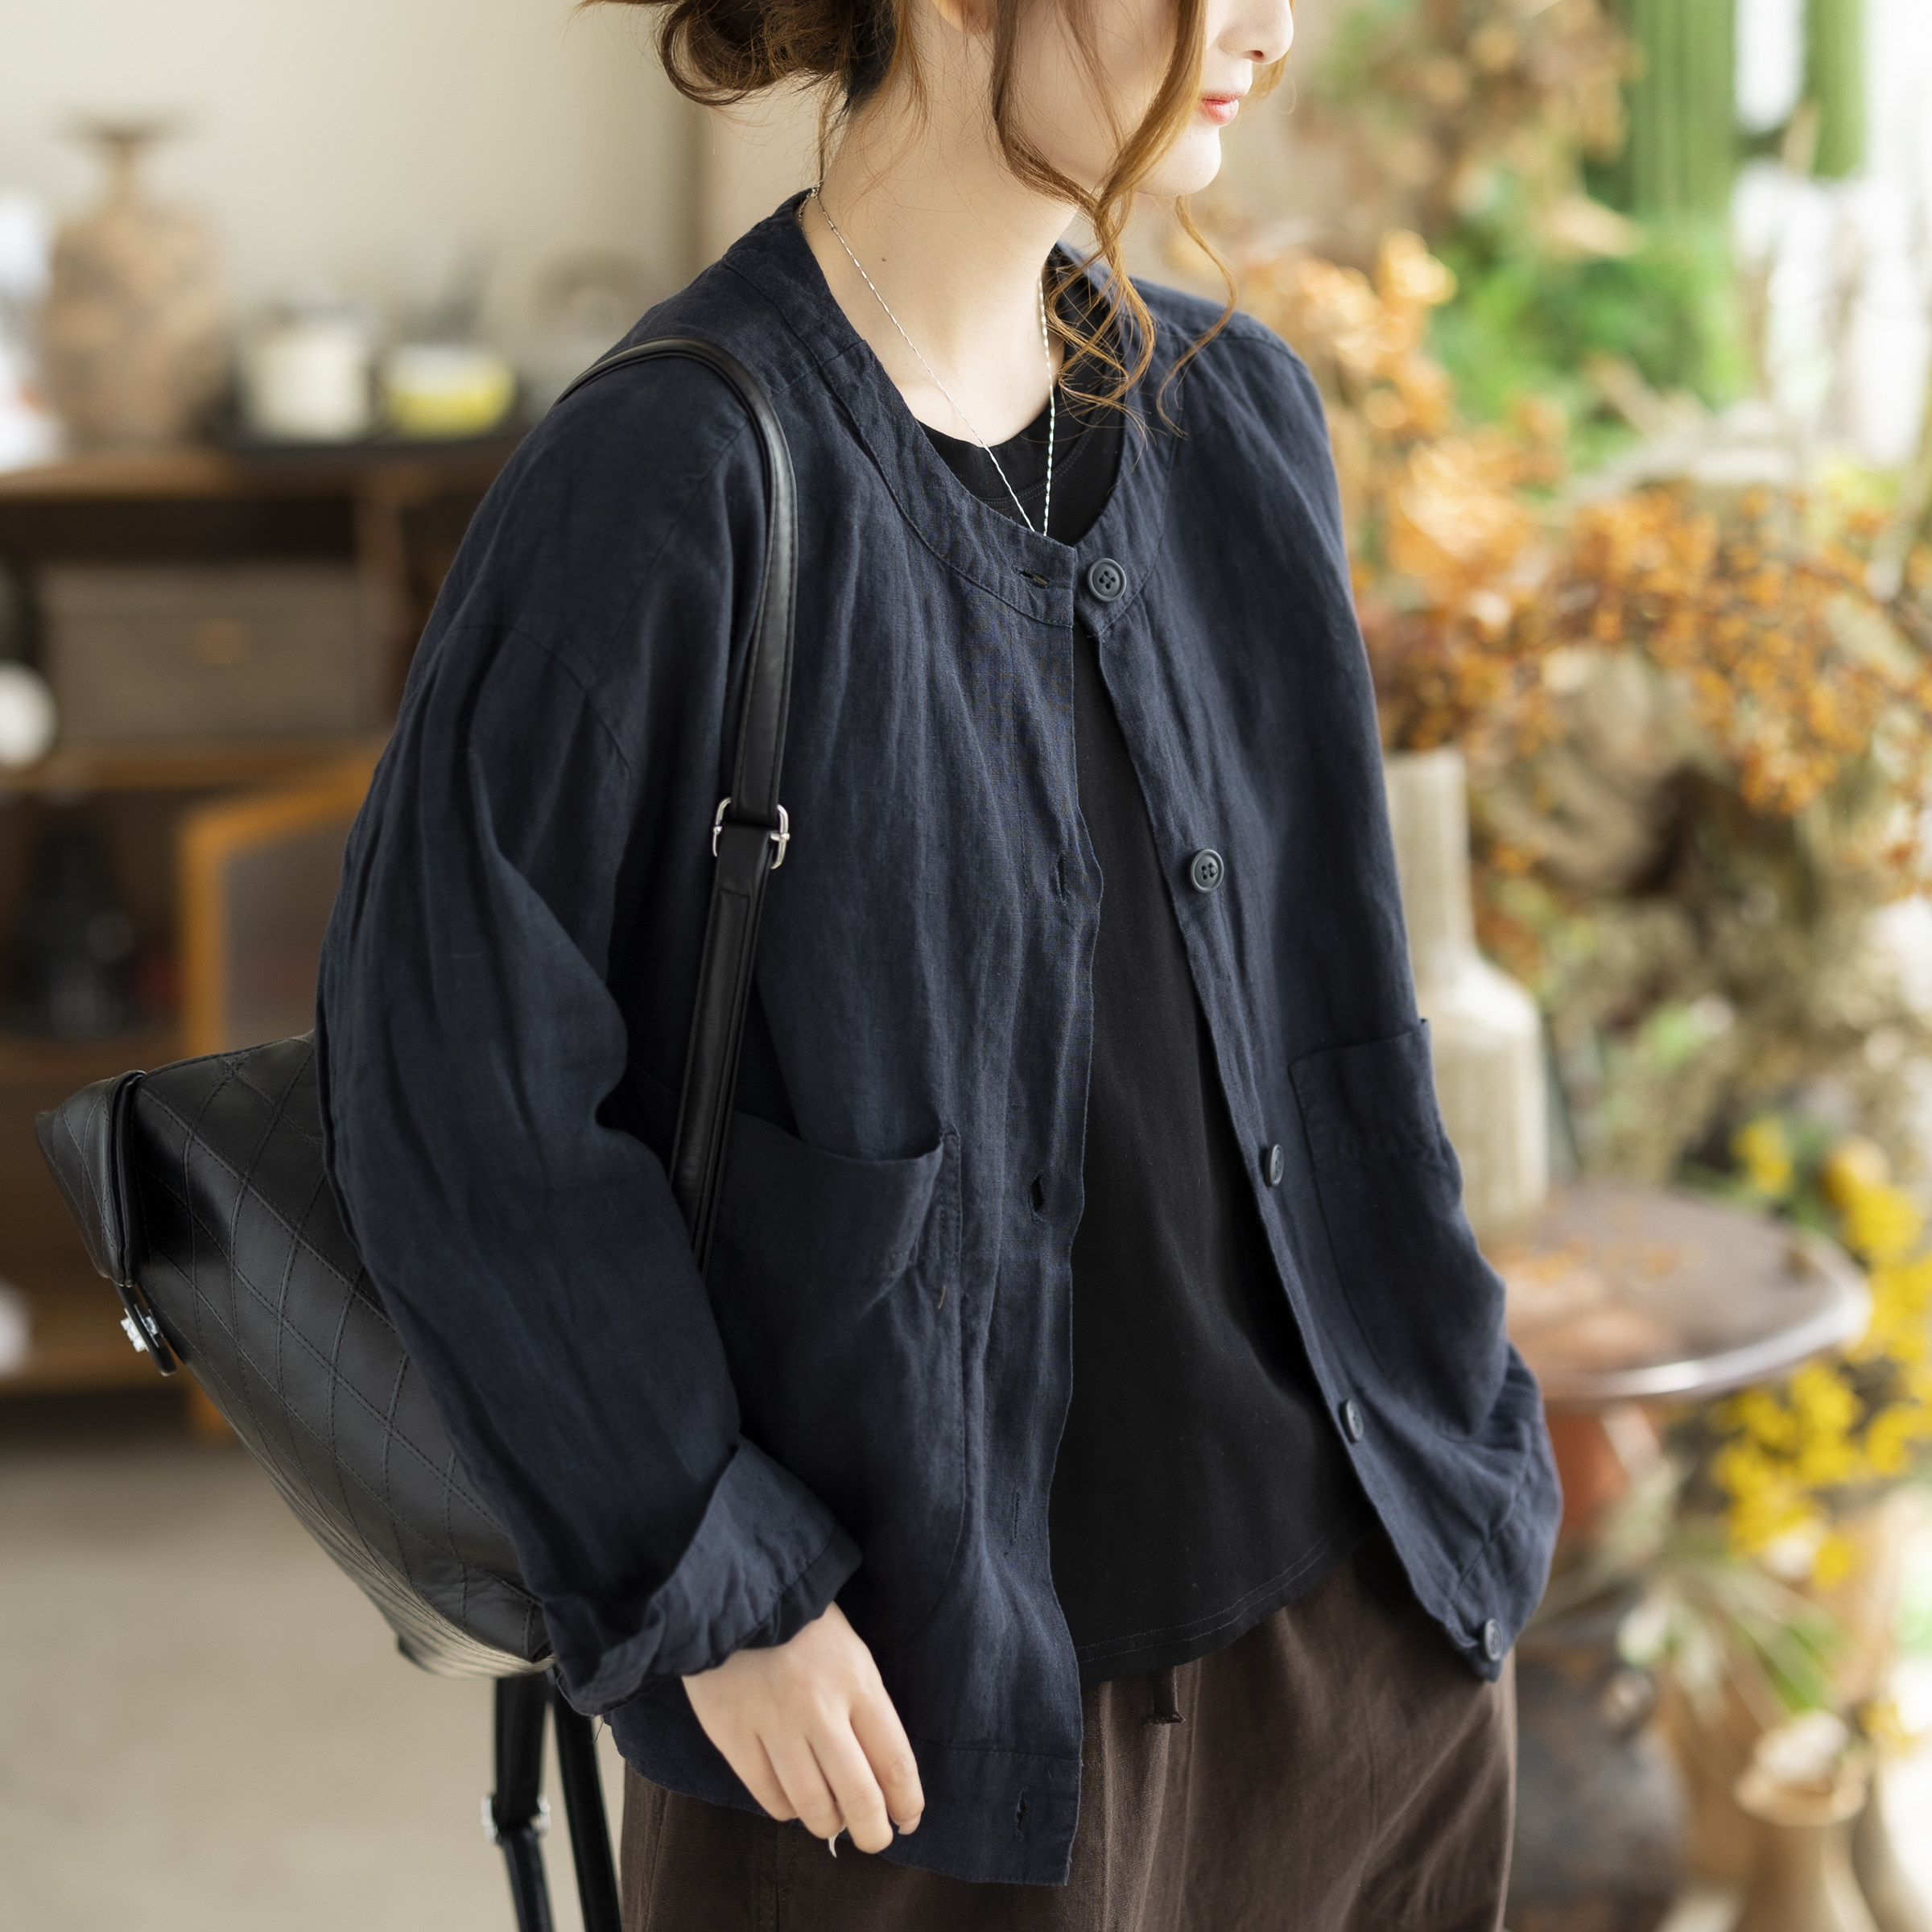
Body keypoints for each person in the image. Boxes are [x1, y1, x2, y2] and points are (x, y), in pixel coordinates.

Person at [315, 0, 1562, 1919]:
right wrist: (716, 1585)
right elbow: (448, 1086)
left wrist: (1463, 1448)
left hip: (1364, 1666)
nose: (1273, 25)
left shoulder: (1240, 422)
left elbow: (1338, 1015)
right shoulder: (672, 475)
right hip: (907, 1743)